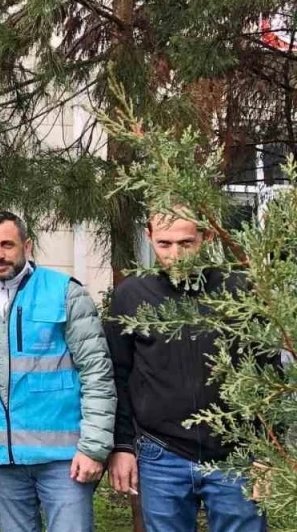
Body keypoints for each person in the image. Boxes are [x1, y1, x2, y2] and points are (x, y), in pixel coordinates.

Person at [106, 212, 268, 532]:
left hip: (236, 455)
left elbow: (267, 372)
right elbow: (117, 375)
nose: (176, 255)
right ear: (149, 237)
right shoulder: (131, 295)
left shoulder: (241, 290)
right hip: (161, 453)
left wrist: (267, 453)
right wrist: (122, 446)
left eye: (186, 243)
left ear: (207, 237)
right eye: (164, 244)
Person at [0, 211, 114, 532]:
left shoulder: (65, 292)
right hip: (4, 458)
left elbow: (97, 373)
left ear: (27, 245)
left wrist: (94, 448)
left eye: (7, 244)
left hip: (64, 457)